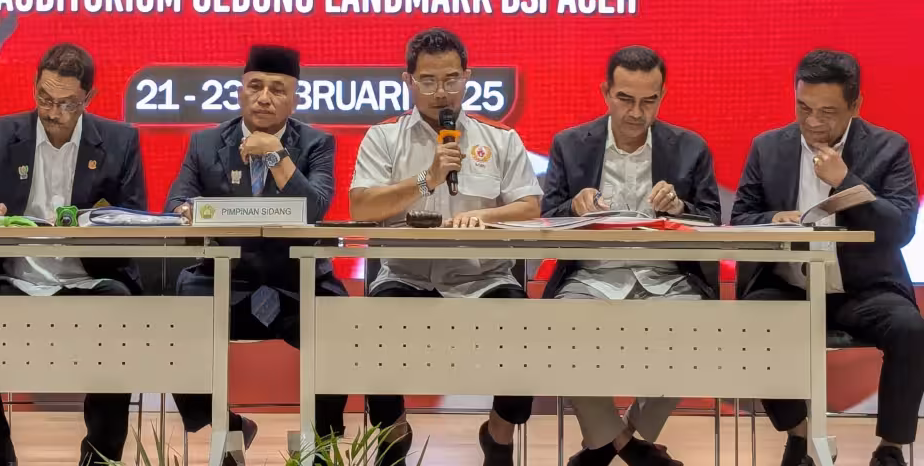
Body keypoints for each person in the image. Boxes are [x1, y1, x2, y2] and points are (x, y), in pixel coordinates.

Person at [349, 28, 541, 466]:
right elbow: (361, 207)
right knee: (372, 327)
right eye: (429, 80)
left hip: (483, 277)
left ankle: (498, 435)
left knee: (526, 329)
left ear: (467, 77)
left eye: (452, 79)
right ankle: (394, 433)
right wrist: (427, 180)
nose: (441, 92)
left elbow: (530, 205)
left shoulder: (499, 138)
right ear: (408, 81)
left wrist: (485, 216)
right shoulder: (384, 137)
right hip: (406, 276)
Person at [0, 43, 147, 466]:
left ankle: (100, 457)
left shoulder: (120, 140)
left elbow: (134, 220)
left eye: (66, 103)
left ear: (88, 98)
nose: (52, 111)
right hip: (14, 278)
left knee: (123, 319)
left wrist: (97, 225)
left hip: (90, 279)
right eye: (44, 98)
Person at [732, 50, 922, 466]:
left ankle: (890, 449)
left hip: (864, 289)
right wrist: (774, 219)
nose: (813, 121)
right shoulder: (768, 147)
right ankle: (800, 435)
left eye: (827, 112)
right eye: (804, 107)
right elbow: (741, 216)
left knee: (910, 329)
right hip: (789, 286)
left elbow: (900, 228)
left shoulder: (889, 148)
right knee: (751, 320)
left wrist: (846, 182)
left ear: (856, 105)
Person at [166, 45, 348, 466]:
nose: (264, 97)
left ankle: (320, 443)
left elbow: (315, 208)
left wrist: (275, 153)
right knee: (177, 325)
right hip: (227, 281)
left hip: (295, 282)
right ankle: (227, 426)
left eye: (277, 89)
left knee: (339, 328)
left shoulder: (317, 143)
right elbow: (177, 201)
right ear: (240, 91)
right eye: (255, 86)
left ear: (295, 99)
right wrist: (187, 211)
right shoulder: (206, 142)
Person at [542, 46, 721, 466]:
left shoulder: (690, 147)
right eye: (625, 99)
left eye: (649, 101)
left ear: (662, 96)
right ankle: (632, 448)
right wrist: (574, 207)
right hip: (590, 277)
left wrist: (680, 208)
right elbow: (547, 218)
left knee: (698, 329)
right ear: (605, 92)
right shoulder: (570, 144)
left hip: (669, 278)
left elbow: (713, 220)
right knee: (559, 327)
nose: (637, 113)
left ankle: (609, 442)